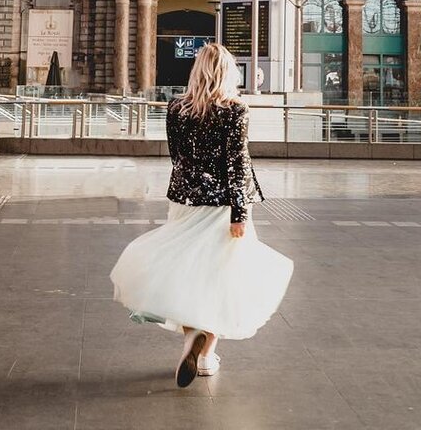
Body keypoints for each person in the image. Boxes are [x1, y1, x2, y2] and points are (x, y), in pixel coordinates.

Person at [110, 42, 293, 388]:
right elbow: (237, 163)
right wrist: (240, 213)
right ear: (228, 72)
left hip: (185, 200)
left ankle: (193, 337)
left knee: (189, 272)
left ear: (197, 71)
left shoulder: (176, 107)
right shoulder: (235, 110)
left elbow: (177, 156)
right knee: (221, 276)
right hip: (223, 205)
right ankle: (206, 355)